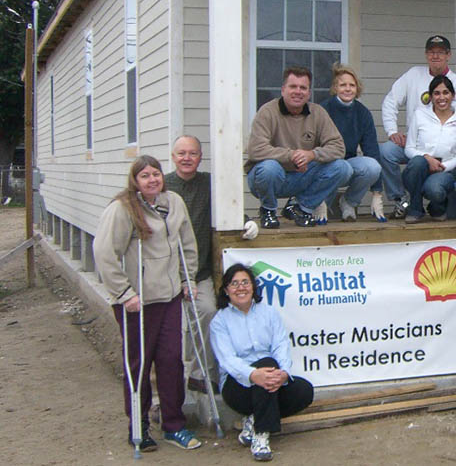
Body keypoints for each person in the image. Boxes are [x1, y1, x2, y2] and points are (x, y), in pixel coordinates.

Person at [94, 155, 202, 452]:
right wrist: (124, 292)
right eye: (145, 176)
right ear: (135, 180)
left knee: (170, 360)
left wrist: (187, 279)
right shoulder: (121, 209)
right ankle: (138, 424)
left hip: (168, 297)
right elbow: (104, 253)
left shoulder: (174, 202)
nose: (152, 179)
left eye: (156, 174)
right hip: (137, 302)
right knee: (139, 364)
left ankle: (173, 424)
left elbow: (187, 244)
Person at [165, 135, 259, 396]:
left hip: (199, 272)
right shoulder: (163, 186)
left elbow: (229, 205)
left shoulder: (208, 183)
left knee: (207, 311)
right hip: (165, 272)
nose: (187, 158)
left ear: (200, 156)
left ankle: (200, 374)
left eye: (192, 154)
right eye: (181, 153)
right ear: (173, 157)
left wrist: (247, 221)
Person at [210, 263, 314, 461]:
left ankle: (255, 419)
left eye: (245, 282)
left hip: (270, 380)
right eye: (234, 284)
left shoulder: (269, 312)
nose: (241, 288)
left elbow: (281, 344)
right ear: (226, 290)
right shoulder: (220, 321)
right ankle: (261, 435)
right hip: (237, 385)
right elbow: (227, 359)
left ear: (253, 287)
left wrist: (283, 372)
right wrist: (252, 374)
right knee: (265, 363)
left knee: (303, 390)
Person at [245, 66, 348, 228]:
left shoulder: (318, 113)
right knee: (269, 168)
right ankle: (268, 210)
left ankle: (301, 207)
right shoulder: (267, 112)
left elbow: (338, 147)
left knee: (343, 168)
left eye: (303, 88)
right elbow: (256, 149)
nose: (298, 91)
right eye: (293, 87)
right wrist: (291, 156)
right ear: (283, 89)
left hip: (300, 176)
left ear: (309, 92)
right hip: (268, 178)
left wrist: (312, 155)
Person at [380, 35, 456, 218]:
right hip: (413, 144)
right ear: (426, 54)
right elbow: (390, 101)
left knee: (434, 187)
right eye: (431, 52)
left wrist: (438, 160)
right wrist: (392, 131)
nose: (435, 56)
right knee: (386, 151)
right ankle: (401, 199)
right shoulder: (413, 75)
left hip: (443, 153)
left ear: (448, 55)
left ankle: (437, 202)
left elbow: (454, 124)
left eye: (440, 52)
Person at [320, 64, 386, 222]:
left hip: (348, 164)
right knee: (340, 167)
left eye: (352, 85)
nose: (348, 89)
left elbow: (371, 151)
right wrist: (318, 199)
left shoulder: (362, 113)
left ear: (357, 88)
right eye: (343, 85)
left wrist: (377, 193)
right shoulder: (323, 110)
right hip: (325, 166)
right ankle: (321, 203)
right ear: (335, 88)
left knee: (372, 166)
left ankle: (348, 202)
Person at [402, 75, 456, 223]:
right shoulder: (420, 114)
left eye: (446, 92)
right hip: (420, 167)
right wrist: (427, 158)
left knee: (434, 190)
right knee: (417, 163)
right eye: (437, 93)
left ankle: (437, 208)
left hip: (446, 169)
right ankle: (415, 209)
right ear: (431, 96)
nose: (441, 97)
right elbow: (409, 148)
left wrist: (442, 167)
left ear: (453, 95)